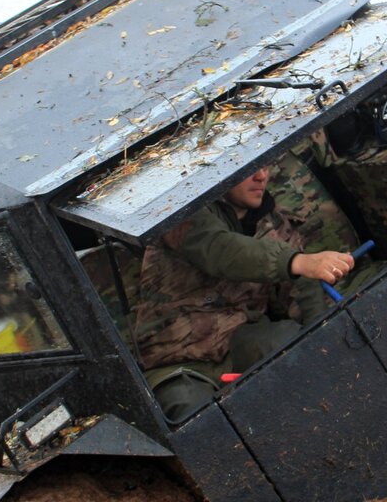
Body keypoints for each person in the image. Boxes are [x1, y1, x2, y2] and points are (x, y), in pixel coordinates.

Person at [133, 165, 354, 423]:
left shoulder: (275, 223)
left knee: (294, 344)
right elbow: (221, 250)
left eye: (265, 165)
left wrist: (328, 343)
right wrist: (298, 262)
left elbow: (302, 292)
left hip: (239, 340)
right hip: (179, 360)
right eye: (246, 168)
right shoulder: (182, 212)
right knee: (197, 417)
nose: (261, 176)